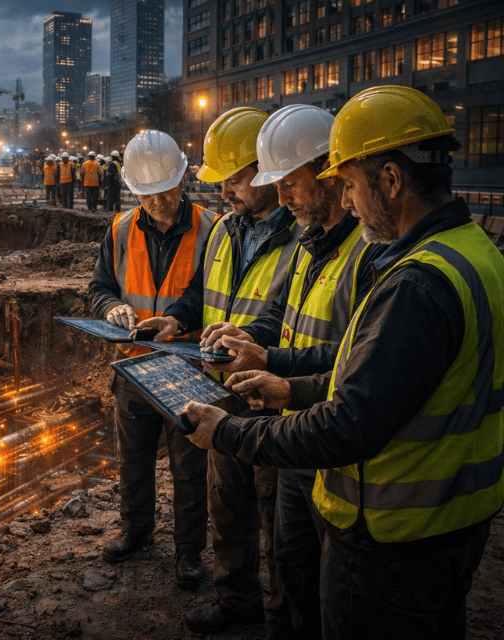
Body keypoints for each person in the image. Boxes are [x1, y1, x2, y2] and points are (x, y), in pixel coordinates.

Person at [184, 86, 504, 640]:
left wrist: (230, 432)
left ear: (391, 179)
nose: (348, 200)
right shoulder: (474, 251)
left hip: (392, 529)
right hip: (450, 521)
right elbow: (382, 374)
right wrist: (293, 389)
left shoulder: (415, 282)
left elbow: (353, 421)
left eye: (350, 183)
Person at [198, 104, 386, 640]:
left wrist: (272, 363)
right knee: (290, 558)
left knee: (320, 582)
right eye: (273, 184)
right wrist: (254, 338)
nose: (282, 199)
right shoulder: (311, 238)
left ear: (329, 172)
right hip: (283, 410)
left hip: (327, 432)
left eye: (290, 184)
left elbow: (356, 360)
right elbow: (287, 313)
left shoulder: (366, 253)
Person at [141, 107, 302, 635]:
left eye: (232, 180)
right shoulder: (226, 228)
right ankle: (237, 602)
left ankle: (282, 617)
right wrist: (175, 318)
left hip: (271, 394)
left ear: (265, 171)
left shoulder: (303, 236)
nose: (224, 192)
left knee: (279, 518)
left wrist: (254, 341)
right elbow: (199, 295)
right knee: (226, 505)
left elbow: (296, 316)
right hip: (218, 389)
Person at [89, 130, 218, 591]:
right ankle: (136, 531)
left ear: (182, 180)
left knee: (189, 465)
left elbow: (211, 295)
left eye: (165, 191)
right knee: (133, 458)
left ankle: (188, 550)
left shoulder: (213, 229)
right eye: (147, 194)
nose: (158, 202)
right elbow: (99, 287)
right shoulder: (121, 229)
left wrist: (176, 321)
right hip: (133, 365)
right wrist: (111, 308)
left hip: (187, 368)